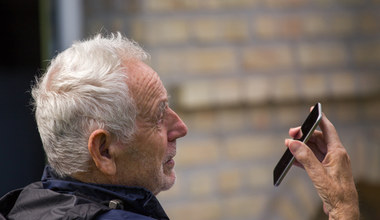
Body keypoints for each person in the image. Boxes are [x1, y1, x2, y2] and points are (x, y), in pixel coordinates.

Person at [0, 33, 359, 219]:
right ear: (104, 151)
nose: (181, 127)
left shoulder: (25, 204)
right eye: (159, 116)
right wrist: (343, 209)